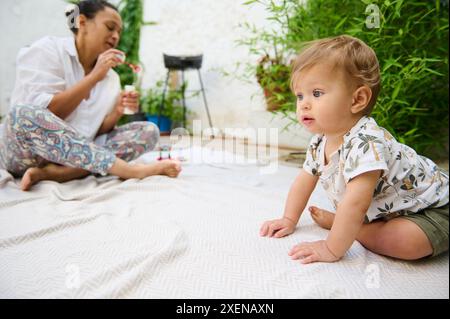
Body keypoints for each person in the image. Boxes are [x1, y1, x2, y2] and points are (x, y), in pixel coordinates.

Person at [260, 35, 449, 264]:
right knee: (386, 227)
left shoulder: (367, 142)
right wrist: (289, 219)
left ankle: (350, 228)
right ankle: (346, 224)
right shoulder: (320, 141)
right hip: (393, 212)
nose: (304, 104)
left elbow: (356, 203)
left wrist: (332, 248)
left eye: (316, 93)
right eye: (300, 95)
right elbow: (304, 179)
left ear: (357, 99)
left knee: (408, 242)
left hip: (434, 208)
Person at [0, 0, 181, 191]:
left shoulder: (112, 79)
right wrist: (94, 77)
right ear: (82, 22)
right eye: (110, 27)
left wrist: (117, 112)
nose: (116, 36)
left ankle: (56, 174)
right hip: (24, 155)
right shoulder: (48, 50)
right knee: (22, 114)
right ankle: (129, 170)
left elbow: (93, 131)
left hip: (72, 157)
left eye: (119, 31)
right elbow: (46, 114)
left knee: (148, 131)